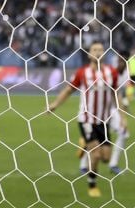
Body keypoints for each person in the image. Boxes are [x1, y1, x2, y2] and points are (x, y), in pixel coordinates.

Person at [49, 41, 127, 197]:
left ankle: (84, 143)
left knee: (106, 158)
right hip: (86, 119)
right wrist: (55, 105)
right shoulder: (82, 72)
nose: (98, 52)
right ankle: (92, 185)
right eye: (94, 50)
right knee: (96, 155)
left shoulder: (111, 72)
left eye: (100, 50)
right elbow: (68, 90)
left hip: (104, 121)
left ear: (104, 54)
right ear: (89, 54)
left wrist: (123, 117)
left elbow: (116, 94)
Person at [79, 52, 130, 176]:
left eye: (124, 61)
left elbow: (119, 93)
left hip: (113, 110)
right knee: (95, 137)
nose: (121, 63)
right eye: (119, 60)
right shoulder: (108, 72)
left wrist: (123, 111)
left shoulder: (126, 74)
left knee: (124, 133)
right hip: (102, 110)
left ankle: (113, 164)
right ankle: (84, 165)